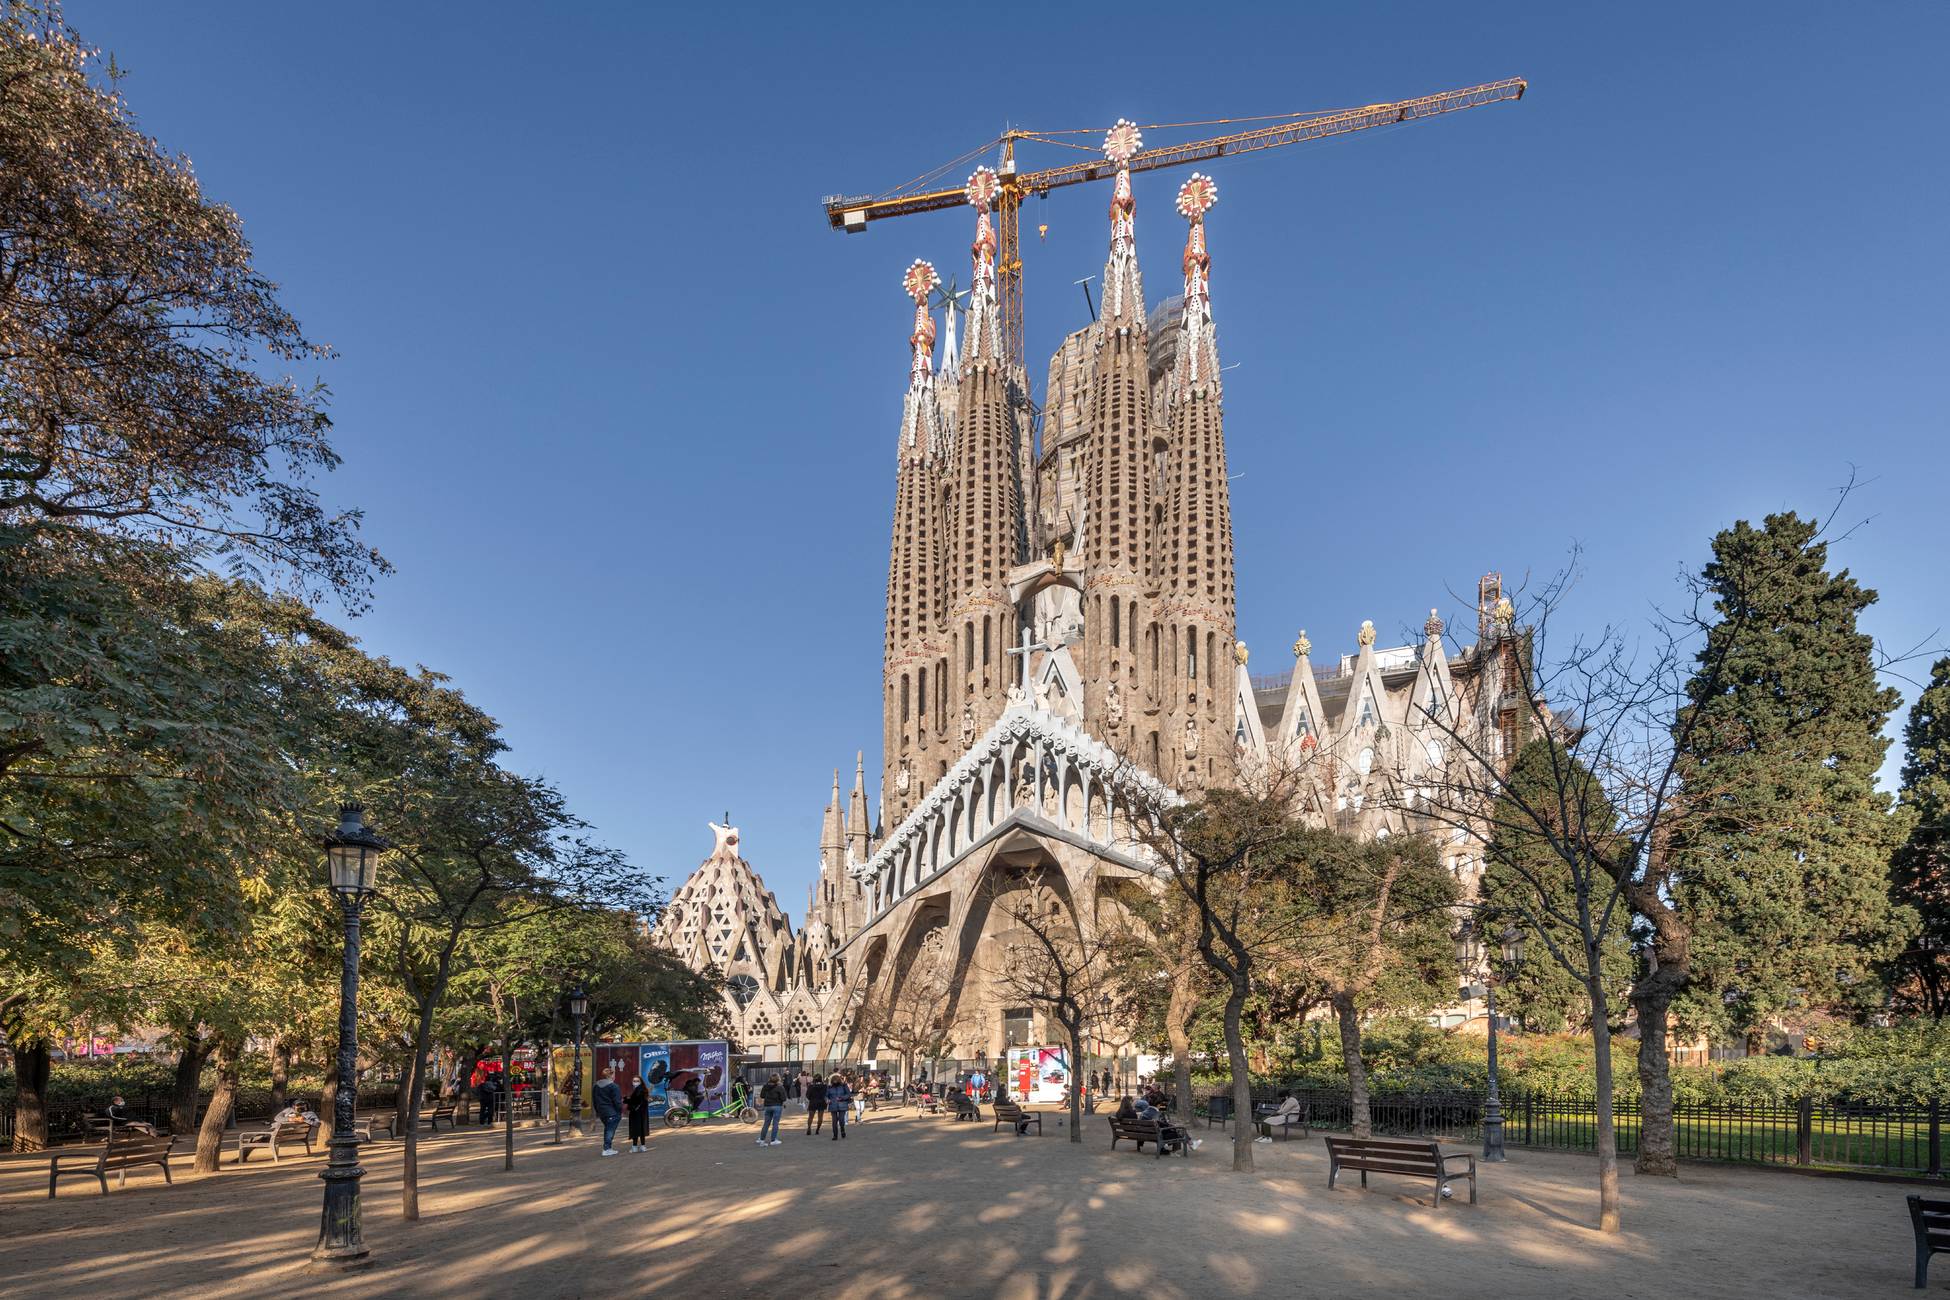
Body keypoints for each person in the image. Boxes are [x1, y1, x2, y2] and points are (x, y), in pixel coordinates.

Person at [592, 1065, 624, 1156]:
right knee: (609, 1131)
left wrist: (598, 1111)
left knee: (608, 1130)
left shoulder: (596, 1086)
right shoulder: (614, 1086)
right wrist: (620, 1111)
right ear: (611, 1076)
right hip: (612, 1112)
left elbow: (594, 1100)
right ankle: (607, 1149)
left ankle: (608, 1148)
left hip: (602, 1112)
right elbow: (617, 1101)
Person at [758, 1073, 785, 1146]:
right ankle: (773, 1140)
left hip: (767, 1106)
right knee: (775, 1123)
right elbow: (783, 1098)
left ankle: (761, 1139)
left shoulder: (765, 1086)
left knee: (766, 1123)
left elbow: (762, 1096)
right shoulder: (780, 1087)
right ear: (778, 1079)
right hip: (777, 1106)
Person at [626, 1074, 650, 1152]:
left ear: (640, 1082)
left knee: (635, 1129)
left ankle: (635, 1146)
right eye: (634, 1081)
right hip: (642, 1113)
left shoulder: (638, 1090)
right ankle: (642, 1146)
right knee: (641, 1129)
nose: (635, 1082)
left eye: (637, 1081)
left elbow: (634, 1102)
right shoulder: (643, 1090)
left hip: (636, 1113)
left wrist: (627, 1100)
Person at [825, 1072, 851, 1141]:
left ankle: (842, 1129)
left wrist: (842, 1098)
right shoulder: (829, 1087)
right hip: (833, 1105)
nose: (835, 1082)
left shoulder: (844, 1086)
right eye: (834, 1081)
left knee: (841, 1119)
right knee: (834, 1121)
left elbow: (848, 1094)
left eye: (836, 1081)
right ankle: (835, 1135)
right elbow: (826, 1095)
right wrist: (827, 1099)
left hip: (842, 1104)